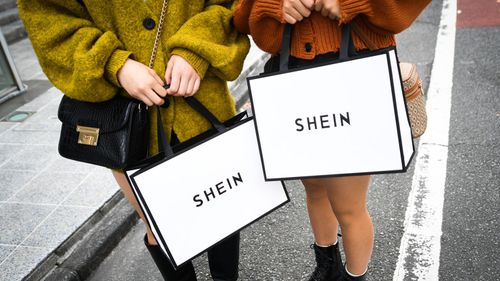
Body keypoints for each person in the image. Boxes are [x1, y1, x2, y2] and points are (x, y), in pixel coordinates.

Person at [18, 1, 250, 280]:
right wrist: (114, 64)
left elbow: (229, 5)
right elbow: (50, 20)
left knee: (223, 206)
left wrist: (196, 47)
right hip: (129, 119)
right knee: (159, 225)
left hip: (202, 98)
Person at [233, 0, 430, 280]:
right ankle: (327, 267)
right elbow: (241, 17)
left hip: (354, 70)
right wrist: (273, 6)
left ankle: (354, 276)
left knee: (348, 205)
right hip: (292, 75)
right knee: (314, 188)